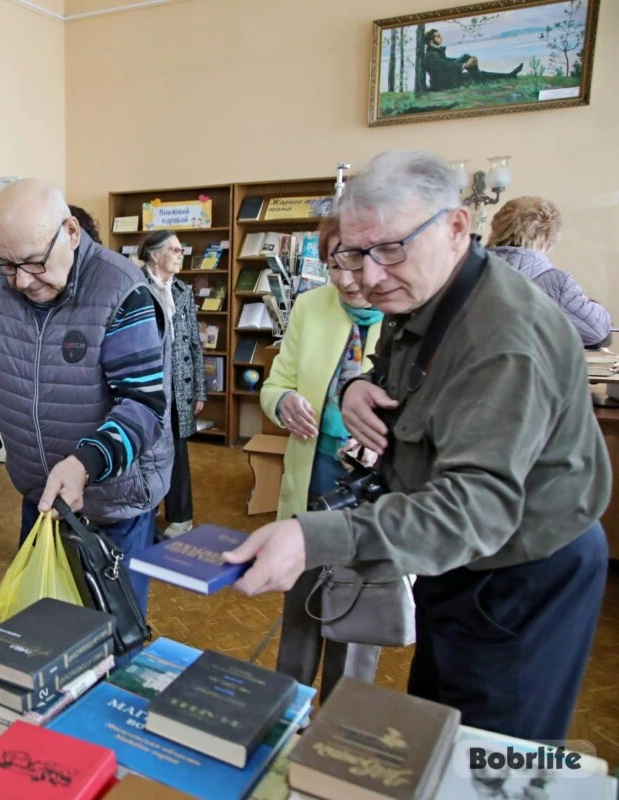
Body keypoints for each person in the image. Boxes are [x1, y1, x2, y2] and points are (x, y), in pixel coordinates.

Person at [224, 150, 609, 742]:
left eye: (391, 249)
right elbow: (406, 383)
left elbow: (473, 508)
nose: (370, 276)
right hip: (451, 556)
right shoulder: (427, 293)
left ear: (457, 227)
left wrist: (314, 538)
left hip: (518, 572)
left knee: (492, 755)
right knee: (436, 723)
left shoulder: (505, 338)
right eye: (354, 253)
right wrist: (357, 386)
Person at [0, 179, 173, 614]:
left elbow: (144, 406)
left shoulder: (122, 289)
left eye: (34, 263)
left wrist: (84, 464)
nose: (20, 280)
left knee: (112, 638)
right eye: (5, 262)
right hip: (39, 496)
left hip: (114, 503)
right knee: (43, 634)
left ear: (71, 232)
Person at [258, 216, 384, 702]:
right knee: (300, 611)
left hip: (373, 495)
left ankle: (340, 717)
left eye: (356, 263)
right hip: (314, 480)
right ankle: (285, 711)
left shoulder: (409, 314)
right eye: (335, 265)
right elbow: (276, 384)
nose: (346, 280)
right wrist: (283, 402)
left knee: (355, 621)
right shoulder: (311, 307)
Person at [138, 230, 204, 536]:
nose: (181, 254)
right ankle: (145, 512)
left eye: (181, 250)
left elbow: (194, 344)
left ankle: (180, 516)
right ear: (154, 254)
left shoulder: (183, 291)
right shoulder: (134, 286)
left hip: (179, 386)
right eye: (174, 249)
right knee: (146, 449)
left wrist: (198, 390)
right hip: (147, 385)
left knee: (177, 449)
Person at [487, 195, 611, 348]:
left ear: (495, 227)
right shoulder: (557, 284)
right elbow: (598, 332)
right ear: (546, 237)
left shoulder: (464, 271)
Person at [423, 29, 521, 91]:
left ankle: (509, 75)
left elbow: (447, 61)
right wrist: (465, 65)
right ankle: (481, 83)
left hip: (448, 78)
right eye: (438, 36)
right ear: (431, 40)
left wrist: (467, 63)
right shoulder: (430, 55)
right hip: (444, 84)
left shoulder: (434, 52)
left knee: (479, 72)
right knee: (466, 57)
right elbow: (445, 66)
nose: (441, 37)